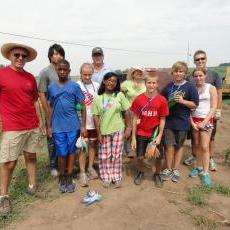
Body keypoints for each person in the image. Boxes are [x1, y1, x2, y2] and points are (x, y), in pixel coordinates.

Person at [0, 42, 43, 214]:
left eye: (23, 56)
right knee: (9, 163)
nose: (20, 58)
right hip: (12, 126)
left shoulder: (30, 77)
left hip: (31, 124)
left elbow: (35, 101)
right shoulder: (2, 74)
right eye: (16, 55)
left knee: (31, 156)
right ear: (10, 56)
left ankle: (32, 186)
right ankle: (3, 197)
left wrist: (42, 123)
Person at [47, 59, 86, 193]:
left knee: (71, 152)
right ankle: (62, 176)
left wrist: (83, 126)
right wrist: (49, 126)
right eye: (60, 69)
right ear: (56, 70)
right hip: (57, 127)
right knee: (61, 153)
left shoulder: (74, 86)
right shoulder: (51, 87)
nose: (62, 71)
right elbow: (50, 108)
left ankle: (69, 176)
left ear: (69, 71)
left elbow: (83, 106)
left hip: (73, 125)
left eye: (65, 69)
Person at [184, 50, 223, 171]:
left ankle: (210, 159)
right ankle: (195, 156)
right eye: (197, 59)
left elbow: (219, 92)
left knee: (210, 138)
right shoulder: (190, 77)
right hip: (194, 115)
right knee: (195, 140)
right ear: (194, 61)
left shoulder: (214, 74)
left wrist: (218, 110)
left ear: (206, 59)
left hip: (208, 114)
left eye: (202, 58)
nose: (200, 61)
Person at [161, 61, 199, 183]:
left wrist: (182, 101)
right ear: (173, 72)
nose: (178, 73)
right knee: (168, 146)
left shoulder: (190, 87)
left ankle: (175, 169)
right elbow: (161, 101)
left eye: (181, 71)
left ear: (185, 73)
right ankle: (168, 168)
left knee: (179, 146)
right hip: (168, 121)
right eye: (176, 71)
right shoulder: (168, 86)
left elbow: (194, 105)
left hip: (183, 122)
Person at [92, 72, 131, 188]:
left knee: (117, 154)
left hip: (118, 129)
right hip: (104, 131)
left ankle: (116, 176)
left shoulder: (119, 95)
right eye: (109, 80)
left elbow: (127, 111)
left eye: (114, 81)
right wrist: (98, 133)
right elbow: (95, 116)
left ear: (116, 83)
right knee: (104, 155)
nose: (111, 83)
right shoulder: (98, 97)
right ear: (104, 81)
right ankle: (106, 177)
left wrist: (128, 127)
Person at [131, 73, 169, 187]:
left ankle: (157, 174)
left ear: (157, 84)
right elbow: (135, 118)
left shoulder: (162, 100)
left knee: (158, 157)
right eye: (149, 82)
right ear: (145, 83)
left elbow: (162, 119)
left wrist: (159, 136)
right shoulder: (139, 99)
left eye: (154, 83)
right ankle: (141, 172)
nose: (151, 85)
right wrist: (133, 137)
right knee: (140, 156)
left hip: (155, 133)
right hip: (141, 132)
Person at [38, 44, 65, 177]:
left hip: (65, 112)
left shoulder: (63, 70)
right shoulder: (45, 72)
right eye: (55, 54)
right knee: (52, 139)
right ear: (50, 56)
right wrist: (48, 111)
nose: (58, 56)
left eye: (60, 54)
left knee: (64, 138)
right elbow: (42, 93)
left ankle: (63, 163)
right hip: (52, 111)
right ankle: (53, 166)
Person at [189, 68, 217, 186]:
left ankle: (205, 173)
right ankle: (198, 167)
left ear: (205, 75)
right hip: (194, 120)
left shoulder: (211, 88)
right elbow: (188, 108)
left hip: (206, 120)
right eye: (196, 76)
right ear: (193, 77)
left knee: (205, 146)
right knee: (197, 145)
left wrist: (204, 122)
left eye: (200, 75)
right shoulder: (192, 88)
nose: (198, 78)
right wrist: (192, 122)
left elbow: (213, 107)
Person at [77, 63, 100, 187]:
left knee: (92, 145)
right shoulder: (77, 86)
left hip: (94, 122)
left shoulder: (96, 85)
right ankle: (82, 172)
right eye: (84, 74)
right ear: (80, 73)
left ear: (93, 74)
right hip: (83, 122)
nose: (87, 77)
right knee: (82, 147)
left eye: (89, 74)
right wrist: (81, 124)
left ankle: (90, 167)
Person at [121, 66, 146, 155]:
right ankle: (124, 148)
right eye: (137, 72)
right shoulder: (126, 84)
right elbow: (120, 94)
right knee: (127, 129)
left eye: (140, 72)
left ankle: (132, 149)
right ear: (133, 74)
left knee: (136, 129)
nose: (139, 74)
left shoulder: (145, 84)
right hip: (128, 110)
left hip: (141, 111)